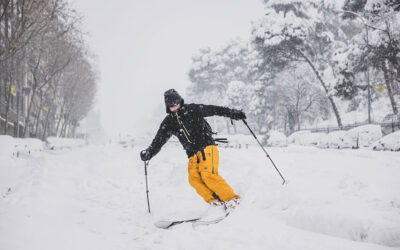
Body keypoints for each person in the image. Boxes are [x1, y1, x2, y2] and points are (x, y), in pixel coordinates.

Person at [140, 89, 246, 215]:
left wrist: (232, 113)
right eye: (171, 105)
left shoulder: (193, 109)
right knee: (194, 179)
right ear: (168, 107)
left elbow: (215, 109)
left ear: (180, 101)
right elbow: (159, 140)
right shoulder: (169, 122)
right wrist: (149, 152)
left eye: (176, 103)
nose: (175, 107)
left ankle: (232, 200)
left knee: (208, 175)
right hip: (192, 155)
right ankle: (216, 202)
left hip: (207, 148)